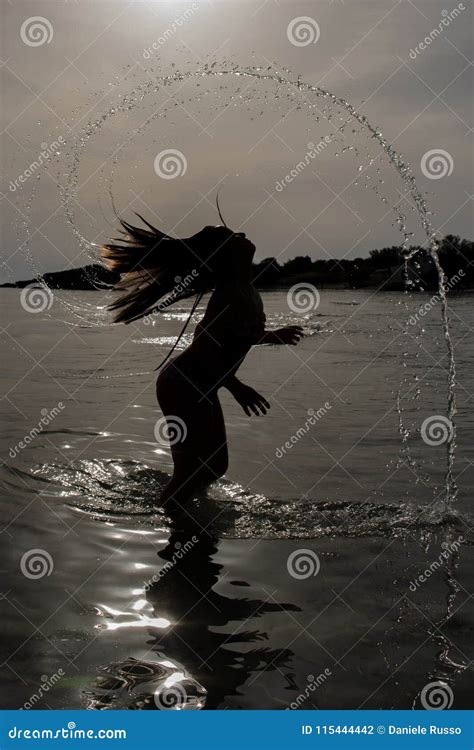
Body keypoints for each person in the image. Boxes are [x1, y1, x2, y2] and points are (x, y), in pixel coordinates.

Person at [101, 216, 303, 507]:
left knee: (214, 466)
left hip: (199, 383)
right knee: (193, 470)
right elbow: (205, 349)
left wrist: (272, 336)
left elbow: (237, 335)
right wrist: (237, 388)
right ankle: (175, 523)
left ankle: (186, 515)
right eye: (234, 236)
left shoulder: (245, 289)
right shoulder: (229, 295)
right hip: (182, 384)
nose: (244, 233)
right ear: (227, 256)